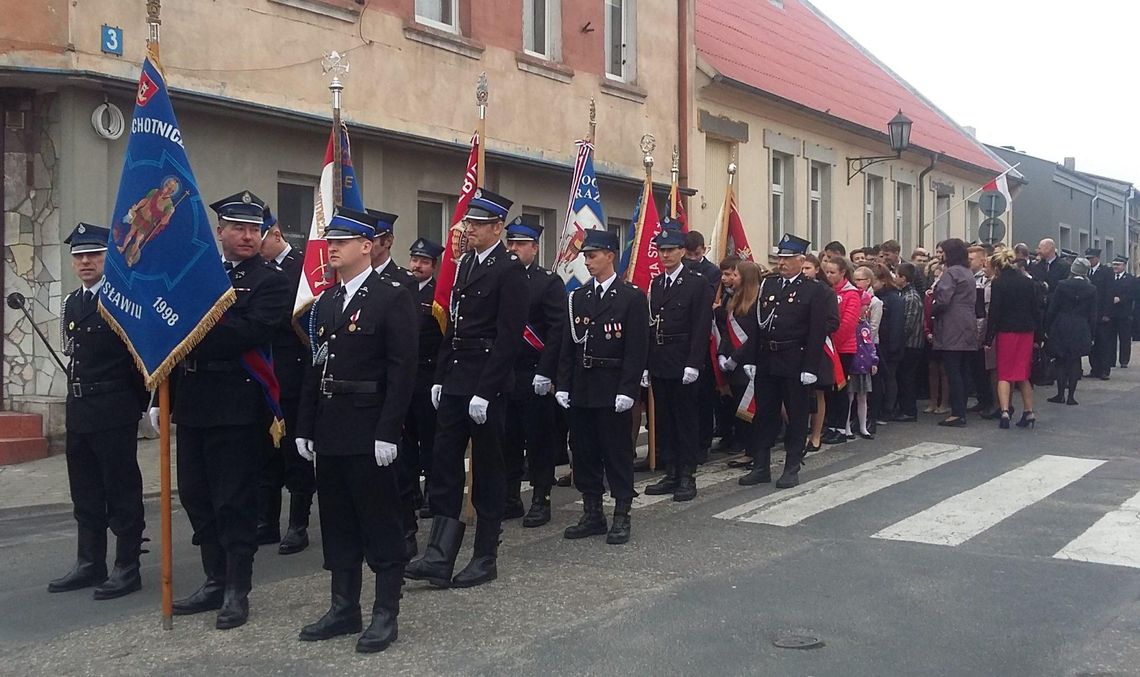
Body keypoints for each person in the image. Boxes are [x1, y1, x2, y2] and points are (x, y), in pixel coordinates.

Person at [160, 190, 291, 629]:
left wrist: (196, 323)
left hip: (238, 404)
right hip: (194, 399)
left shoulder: (271, 280)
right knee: (197, 497)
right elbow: (172, 334)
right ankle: (214, 578)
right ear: (220, 232)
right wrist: (163, 398)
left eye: (254, 229)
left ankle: (238, 588)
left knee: (233, 500)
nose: (247, 236)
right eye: (238, 228)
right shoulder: (201, 276)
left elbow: (248, 332)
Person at [292, 207, 417, 653]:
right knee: (338, 520)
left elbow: (403, 371)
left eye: (341, 242)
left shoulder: (392, 296)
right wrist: (305, 425)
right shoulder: (327, 301)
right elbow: (315, 367)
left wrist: (390, 430)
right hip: (331, 425)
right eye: (330, 242)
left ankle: (386, 612)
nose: (332, 249)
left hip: (369, 426)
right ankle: (344, 607)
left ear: (366, 246)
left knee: (380, 521)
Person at [405, 188, 527, 589]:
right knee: (444, 464)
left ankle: (485, 555)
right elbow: (453, 326)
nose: (468, 229)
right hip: (457, 377)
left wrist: (486, 390)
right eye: (468, 223)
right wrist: (440, 375)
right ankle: (439, 555)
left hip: (485, 383)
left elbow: (509, 336)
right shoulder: (464, 266)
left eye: (476, 224)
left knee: (488, 469)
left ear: (497, 228)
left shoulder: (509, 269)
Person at [48, 223, 148, 600]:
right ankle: (90, 561)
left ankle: (127, 566)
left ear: (108, 257)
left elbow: (139, 360)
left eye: (93, 254)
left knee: (121, 489)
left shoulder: (123, 299)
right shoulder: (73, 302)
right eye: (79, 256)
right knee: (85, 490)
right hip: (80, 407)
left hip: (113, 406)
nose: (86, 261)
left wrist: (141, 405)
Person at [555, 229, 649, 545]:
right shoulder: (578, 298)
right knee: (584, 451)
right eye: (585, 256)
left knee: (617, 452)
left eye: (592, 255)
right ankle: (592, 512)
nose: (588, 261)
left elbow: (636, 349)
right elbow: (568, 347)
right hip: (582, 385)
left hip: (612, 386)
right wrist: (563, 384)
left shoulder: (631, 297)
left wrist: (628, 389)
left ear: (610, 255)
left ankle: (622, 513)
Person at [736, 234, 836, 488]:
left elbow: (817, 331)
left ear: (801, 260)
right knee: (764, 415)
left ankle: (792, 465)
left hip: (795, 359)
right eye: (780, 257)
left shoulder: (814, 290)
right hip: (768, 358)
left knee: (797, 414)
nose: (782, 262)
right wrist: (751, 358)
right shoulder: (769, 285)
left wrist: (811, 367)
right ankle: (761, 465)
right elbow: (758, 324)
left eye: (788, 258)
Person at [255, 206, 315, 556]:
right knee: (266, 451)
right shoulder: (258, 270)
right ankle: (267, 520)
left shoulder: (304, 269)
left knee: (296, 450)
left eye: (260, 240)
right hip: (265, 371)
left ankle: (298, 523)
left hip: (295, 371)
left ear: (275, 236)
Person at [501, 217, 564, 528]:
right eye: (510, 243)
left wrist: (546, 371)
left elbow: (556, 332)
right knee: (507, 437)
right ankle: (511, 496)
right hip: (504, 372)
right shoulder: (499, 278)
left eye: (520, 244)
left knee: (539, 438)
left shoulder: (547, 282)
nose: (513, 249)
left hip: (533, 372)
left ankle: (541, 497)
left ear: (534, 248)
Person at [642, 229, 714, 502]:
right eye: (661, 250)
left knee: (685, 420)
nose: (665, 255)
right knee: (664, 419)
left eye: (671, 250)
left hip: (684, 358)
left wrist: (694, 363)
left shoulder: (697, 283)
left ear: (683, 251)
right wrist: (647, 364)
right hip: (661, 358)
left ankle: (687, 474)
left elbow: (700, 325)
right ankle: (670, 471)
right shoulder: (657, 284)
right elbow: (651, 325)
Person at [404, 237, 445, 520]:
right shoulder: (401, 290)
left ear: (434, 266)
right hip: (405, 375)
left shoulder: (438, 295)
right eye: (414, 260)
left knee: (430, 439)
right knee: (406, 438)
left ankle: (432, 490)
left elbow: (444, 340)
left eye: (423, 262)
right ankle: (411, 491)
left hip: (428, 374)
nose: (417, 266)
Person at [985, 249, 1042, 429]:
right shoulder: (1027, 282)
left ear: (997, 267)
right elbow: (1036, 310)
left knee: (1004, 373)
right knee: (1023, 374)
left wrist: (988, 338)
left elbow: (995, 311)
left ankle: (1004, 412)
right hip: (1026, 331)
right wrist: (1039, 336)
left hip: (1006, 331)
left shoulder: (999, 283)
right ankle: (1029, 411)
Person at [717, 260, 765, 461]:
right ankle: (747, 448)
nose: (732, 278)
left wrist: (735, 358)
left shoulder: (757, 303)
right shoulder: (733, 300)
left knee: (751, 409)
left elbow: (753, 336)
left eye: (735, 275)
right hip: (733, 365)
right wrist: (722, 354)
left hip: (748, 364)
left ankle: (754, 451)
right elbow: (727, 333)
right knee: (738, 408)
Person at [683, 230, 721, 459]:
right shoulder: (681, 268)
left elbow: (706, 299)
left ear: (703, 249)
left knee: (704, 395)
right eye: (689, 255)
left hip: (703, 337)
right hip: (680, 340)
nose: (692, 258)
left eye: (696, 254)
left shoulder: (711, 271)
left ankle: (703, 442)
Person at [930, 239, 977, 427]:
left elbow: (943, 299)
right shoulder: (967, 272)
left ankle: (957, 412)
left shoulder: (951, 273)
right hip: (967, 321)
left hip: (952, 323)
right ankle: (961, 409)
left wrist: (932, 310)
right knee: (963, 369)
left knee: (952, 368)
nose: (941, 256)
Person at [1045, 258, 1098, 405]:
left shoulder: (1062, 285)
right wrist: (1092, 333)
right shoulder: (1091, 289)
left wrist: (1047, 327)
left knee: (1061, 360)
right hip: (1081, 325)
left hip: (1062, 323)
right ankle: (1071, 396)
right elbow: (1093, 314)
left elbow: (1053, 308)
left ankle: (1060, 394)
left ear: (1072, 270)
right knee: (1075, 360)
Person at [821, 256, 861, 444]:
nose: (828, 275)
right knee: (829, 389)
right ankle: (830, 425)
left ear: (843, 273)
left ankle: (840, 427)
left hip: (843, 348)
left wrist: (832, 342)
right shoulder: (826, 291)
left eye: (832, 272)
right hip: (828, 347)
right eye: (826, 272)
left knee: (840, 388)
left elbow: (847, 324)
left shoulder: (851, 294)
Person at [799, 254, 836, 452]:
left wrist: (811, 331)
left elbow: (832, 321)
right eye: (802, 268)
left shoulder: (825, 291)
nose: (804, 272)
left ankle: (815, 435)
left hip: (817, 347)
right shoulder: (794, 288)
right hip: (795, 348)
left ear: (816, 270)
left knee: (818, 392)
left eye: (808, 268)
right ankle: (799, 432)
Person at [967, 245, 996, 417]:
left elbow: (984, 310)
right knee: (977, 369)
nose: (969, 263)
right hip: (973, 326)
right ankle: (982, 399)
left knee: (986, 369)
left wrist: (981, 335)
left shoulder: (988, 282)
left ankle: (990, 401)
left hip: (983, 328)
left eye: (972, 259)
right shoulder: (972, 278)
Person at [874, 264, 904, 425]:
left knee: (889, 377)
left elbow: (896, 325)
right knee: (880, 379)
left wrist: (893, 347)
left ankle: (888, 409)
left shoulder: (893, 299)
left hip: (890, 346)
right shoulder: (879, 297)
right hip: (880, 344)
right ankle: (880, 408)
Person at [894, 262, 924, 422]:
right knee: (904, 377)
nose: (894, 278)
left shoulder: (911, 297)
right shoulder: (903, 294)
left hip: (912, 344)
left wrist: (900, 340)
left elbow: (909, 323)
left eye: (897, 275)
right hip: (909, 344)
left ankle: (909, 410)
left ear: (903, 278)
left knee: (907, 377)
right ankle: (905, 407)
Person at [848, 292, 879, 439]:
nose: (865, 308)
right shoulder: (850, 325)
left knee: (862, 397)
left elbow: (870, 345)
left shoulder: (864, 325)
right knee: (849, 398)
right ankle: (846, 426)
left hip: (863, 365)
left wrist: (874, 360)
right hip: (852, 364)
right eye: (863, 305)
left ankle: (862, 426)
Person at [369, 210, 418, 292]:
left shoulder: (405, 281)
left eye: (371, 241)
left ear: (388, 241)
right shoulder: (355, 275)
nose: (366, 246)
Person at [1086, 248, 1114, 380]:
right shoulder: (1087, 272)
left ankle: (1104, 369)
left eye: (1091, 258)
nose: (1089, 260)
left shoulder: (1106, 272)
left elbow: (1109, 293)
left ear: (1097, 258)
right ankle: (1094, 368)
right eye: (1087, 258)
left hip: (1102, 312)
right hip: (1090, 313)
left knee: (1103, 342)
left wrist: (1107, 313)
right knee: (1092, 342)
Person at [1108, 256, 1133, 368]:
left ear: (1124, 266)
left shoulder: (1130, 279)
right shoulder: (1109, 278)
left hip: (1124, 313)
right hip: (1112, 313)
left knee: (1125, 338)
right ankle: (1111, 360)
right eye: (1114, 264)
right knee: (1111, 338)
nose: (1115, 267)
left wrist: (1121, 299)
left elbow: (1132, 294)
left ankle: (1124, 361)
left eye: (1118, 265)